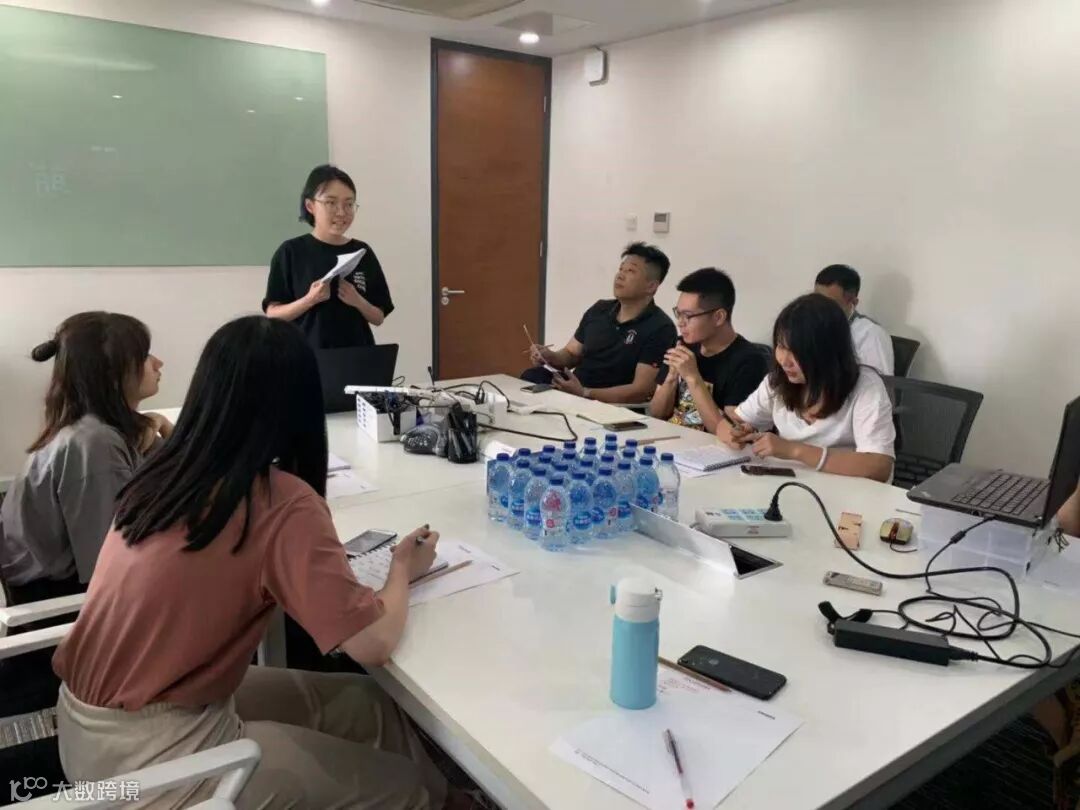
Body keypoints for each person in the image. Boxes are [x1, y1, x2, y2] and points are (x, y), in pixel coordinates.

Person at [51, 316, 459, 810]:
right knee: (405, 787)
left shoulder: (163, 471)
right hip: (149, 759)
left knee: (368, 703)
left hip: (89, 721)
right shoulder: (280, 502)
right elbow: (371, 643)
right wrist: (402, 570)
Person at [0, 312, 170, 604]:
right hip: (60, 603)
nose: (158, 363)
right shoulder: (94, 444)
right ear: (114, 372)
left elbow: (187, 478)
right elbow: (109, 565)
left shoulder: (109, 431)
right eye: (145, 355)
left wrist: (161, 424)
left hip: (83, 586)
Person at [716, 294, 895, 483]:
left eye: (797, 351)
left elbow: (879, 466)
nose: (784, 360)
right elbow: (727, 424)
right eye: (781, 346)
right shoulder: (778, 381)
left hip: (847, 493)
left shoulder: (866, 386)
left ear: (827, 352)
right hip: (788, 487)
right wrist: (735, 432)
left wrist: (793, 450)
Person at [524, 242, 677, 403]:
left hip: (610, 406)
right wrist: (550, 357)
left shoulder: (660, 328)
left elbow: (641, 390)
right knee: (532, 376)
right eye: (621, 269)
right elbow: (571, 354)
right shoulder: (599, 309)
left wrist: (585, 393)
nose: (620, 275)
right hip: (576, 392)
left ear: (651, 286)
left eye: (631, 271)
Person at [263, 164, 394, 349]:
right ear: (310, 206)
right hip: (306, 356)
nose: (341, 212)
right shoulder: (291, 251)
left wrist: (357, 300)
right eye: (331, 203)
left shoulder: (362, 251)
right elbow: (273, 314)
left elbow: (378, 317)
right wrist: (310, 299)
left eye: (349, 204)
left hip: (357, 355)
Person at [649, 267, 768, 432]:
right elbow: (657, 414)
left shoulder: (749, 361)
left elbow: (732, 432)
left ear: (718, 317)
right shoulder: (682, 345)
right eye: (678, 314)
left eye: (688, 316)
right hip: (672, 438)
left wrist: (692, 378)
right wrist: (670, 378)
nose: (680, 323)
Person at [814, 264, 895, 375]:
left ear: (853, 302)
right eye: (815, 300)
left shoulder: (871, 335)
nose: (818, 307)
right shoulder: (809, 325)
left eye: (829, 303)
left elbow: (879, 383)